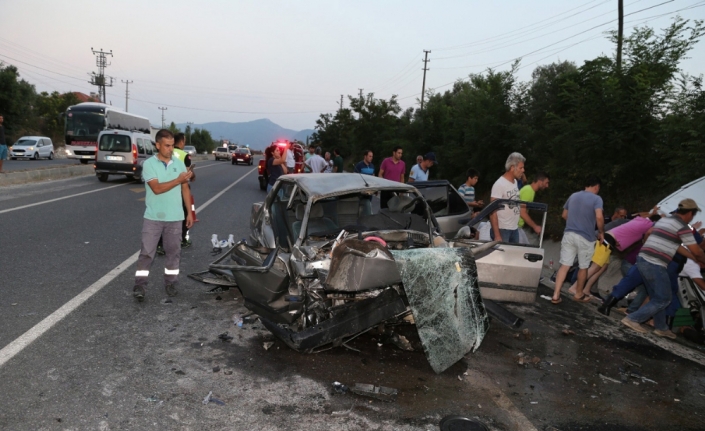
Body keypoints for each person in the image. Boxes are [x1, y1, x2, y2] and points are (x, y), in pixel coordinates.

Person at [621, 199, 705, 338]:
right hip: (655, 263)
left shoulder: (665, 221)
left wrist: (693, 258)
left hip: (643, 259)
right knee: (664, 298)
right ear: (690, 213)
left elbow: (676, 246)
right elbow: (697, 251)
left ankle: (661, 327)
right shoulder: (682, 227)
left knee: (656, 296)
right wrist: (699, 258)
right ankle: (633, 318)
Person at [133, 129, 193, 301]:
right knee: (146, 253)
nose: (170, 149)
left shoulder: (179, 163)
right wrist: (178, 180)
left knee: (174, 253)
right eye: (167, 146)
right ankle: (140, 285)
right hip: (153, 218)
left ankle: (171, 282)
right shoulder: (149, 164)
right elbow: (157, 189)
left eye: (172, 145)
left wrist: (189, 213)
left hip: (175, 218)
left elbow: (185, 189)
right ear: (157, 145)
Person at [550, 176, 604, 304]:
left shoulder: (573, 196)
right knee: (583, 267)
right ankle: (579, 294)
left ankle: (556, 295)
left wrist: (575, 222)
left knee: (565, 265)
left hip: (569, 234)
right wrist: (601, 232)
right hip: (586, 237)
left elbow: (564, 215)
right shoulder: (597, 199)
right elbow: (599, 217)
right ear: (596, 187)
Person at [489, 152, 526, 244]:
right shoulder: (499, 184)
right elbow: (492, 211)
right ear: (512, 167)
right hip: (503, 229)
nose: (523, 170)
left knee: (513, 257)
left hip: (514, 228)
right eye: (521, 168)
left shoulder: (515, 182)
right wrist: (497, 235)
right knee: (502, 257)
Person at [517, 172, 550, 243]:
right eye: (546, 183)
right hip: (515, 227)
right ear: (540, 182)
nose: (547, 186)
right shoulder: (528, 191)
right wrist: (535, 227)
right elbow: (522, 212)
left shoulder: (530, 191)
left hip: (518, 226)